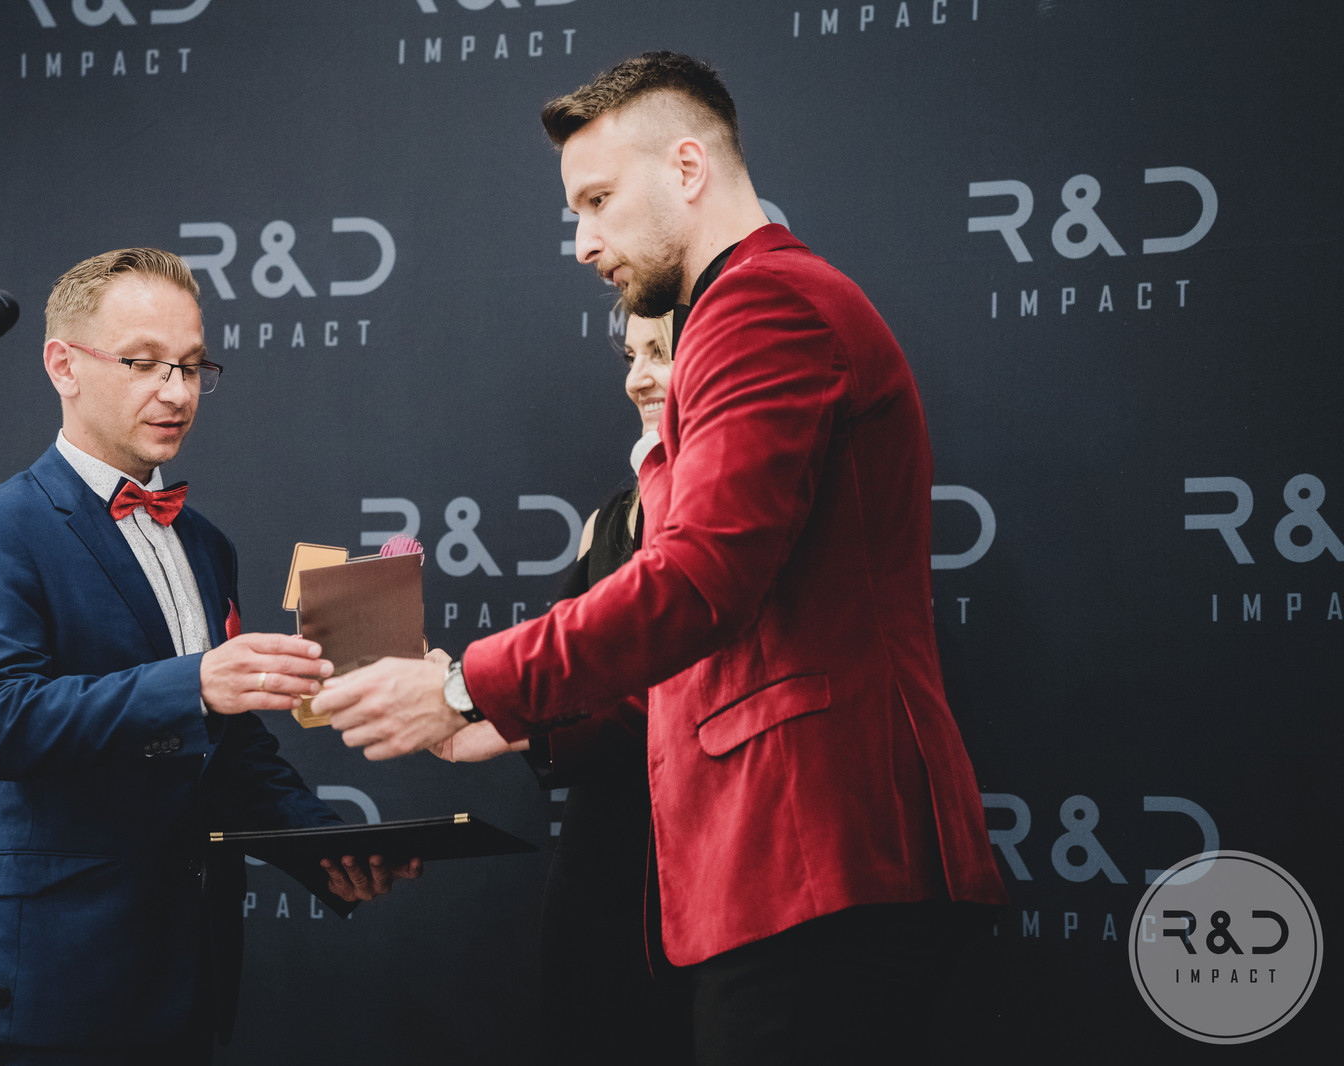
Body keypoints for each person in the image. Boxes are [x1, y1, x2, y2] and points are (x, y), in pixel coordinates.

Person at [314, 51, 1007, 1061]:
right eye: (574, 211)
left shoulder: (759, 304)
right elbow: (712, 642)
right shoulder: (755, 303)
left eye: (598, 201)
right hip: (796, 870)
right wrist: (503, 720)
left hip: (818, 857)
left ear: (688, 168)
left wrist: (465, 686)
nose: (581, 242)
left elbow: (694, 582)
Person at [0, 247, 416, 1065]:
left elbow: (225, 747)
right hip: (53, 982)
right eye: (144, 363)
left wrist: (320, 847)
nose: (178, 392)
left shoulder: (206, 545)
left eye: (192, 367)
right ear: (63, 366)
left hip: (190, 974)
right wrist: (196, 681)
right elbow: (1, 724)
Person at [435, 310, 690, 1064]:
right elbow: (556, 682)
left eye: (660, 353)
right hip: (599, 856)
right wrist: (460, 703)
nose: (637, 378)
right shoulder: (606, 521)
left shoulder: (735, 516)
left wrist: (479, 706)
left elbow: (676, 692)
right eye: (631, 355)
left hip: (705, 856)